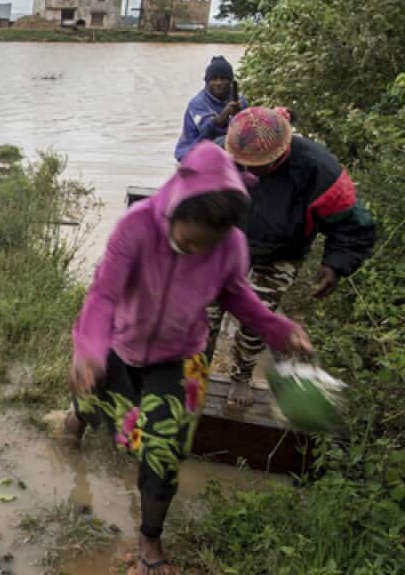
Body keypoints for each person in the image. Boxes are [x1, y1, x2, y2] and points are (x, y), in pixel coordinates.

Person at [62, 141, 311, 575]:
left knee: (163, 449)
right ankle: (73, 424)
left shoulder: (230, 245)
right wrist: (88, 351)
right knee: (93, 393)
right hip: (120, 342)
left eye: (208, 246)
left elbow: (237, 295)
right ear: (175, 209)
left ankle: (149, 541)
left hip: (177, 356)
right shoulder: (136, 227)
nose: (199, 252)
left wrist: (279, 329)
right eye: (190, 241)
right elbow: (103, 294)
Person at [209, 107, 375, 407]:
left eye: (257, 166)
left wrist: (335, 265)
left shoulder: (317, 169)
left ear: (281, 152)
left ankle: (241, 376)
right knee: (201, 317)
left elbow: (353, 224)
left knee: (256, 321)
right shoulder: (223, 153)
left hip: (280, 252)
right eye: (242, 164)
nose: (250, 171)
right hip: (223, 246)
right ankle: (191, 375)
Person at [173, 56, 246, 161]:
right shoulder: (198, 103)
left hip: (221, 149)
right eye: (214, 79)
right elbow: (206, 130)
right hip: (193, 151)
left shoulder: (240, 101)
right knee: (227, 142)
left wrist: (240, 115)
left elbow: (247, 128)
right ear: (207, 82)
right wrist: (225, 114)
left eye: (223, 79)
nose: (218, 83)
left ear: (230, 82)